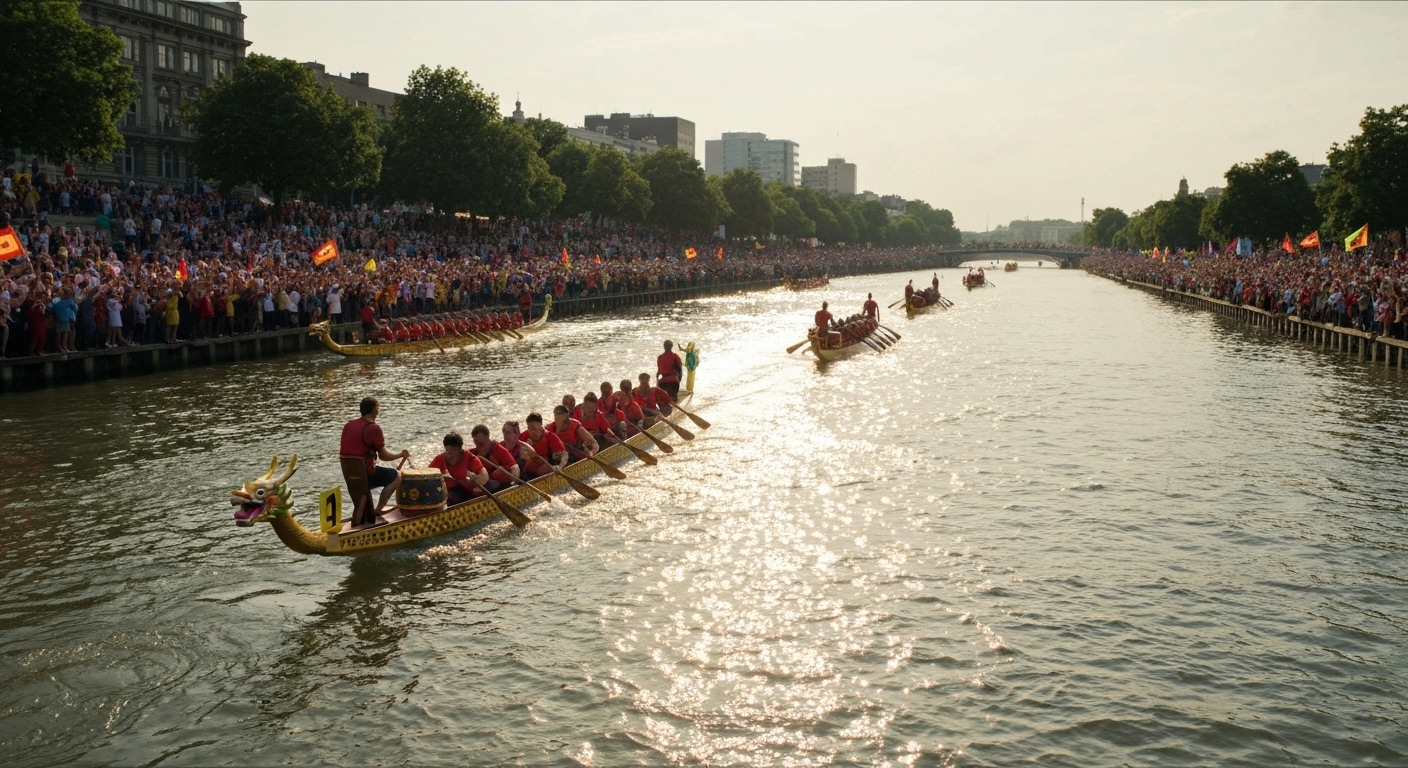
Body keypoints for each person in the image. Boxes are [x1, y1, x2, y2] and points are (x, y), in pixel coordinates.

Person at [339, 396, 411, 525]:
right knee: (397, 476)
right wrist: (400, 454)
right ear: (374, 410)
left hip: (349, 473)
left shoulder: (348, 425)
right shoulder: (373, 428)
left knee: (364, 502)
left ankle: (367, 516)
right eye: (378, 408)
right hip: (366, 473)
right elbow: (383, 456)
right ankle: (378, 510)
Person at [429, 431, 489, 505]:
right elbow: (427, 474)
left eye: (452, 450)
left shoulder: (470, 459)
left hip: (470, 492)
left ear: (459, 449)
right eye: (447, 450)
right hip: (453, 491)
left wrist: (474, 481)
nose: (449, 454)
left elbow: (484, 476)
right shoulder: (441, 458)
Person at [470, 423, 520, 492]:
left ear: (487, 436)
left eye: (481, 443)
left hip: (500, 485)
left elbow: (515, 467)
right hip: (485, 482)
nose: (478, 446)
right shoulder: (473, 453)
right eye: (476, 442)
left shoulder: (499, 450)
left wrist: (514, 483)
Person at [519, 412, 567, 478]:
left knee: (546, 468)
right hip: (527, 470)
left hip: (544, 468)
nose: (530, 431)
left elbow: (564, 454)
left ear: (540, 427)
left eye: (533, 429)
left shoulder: (551, 437)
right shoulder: (524, 435)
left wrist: (560, 467)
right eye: (528, 428)